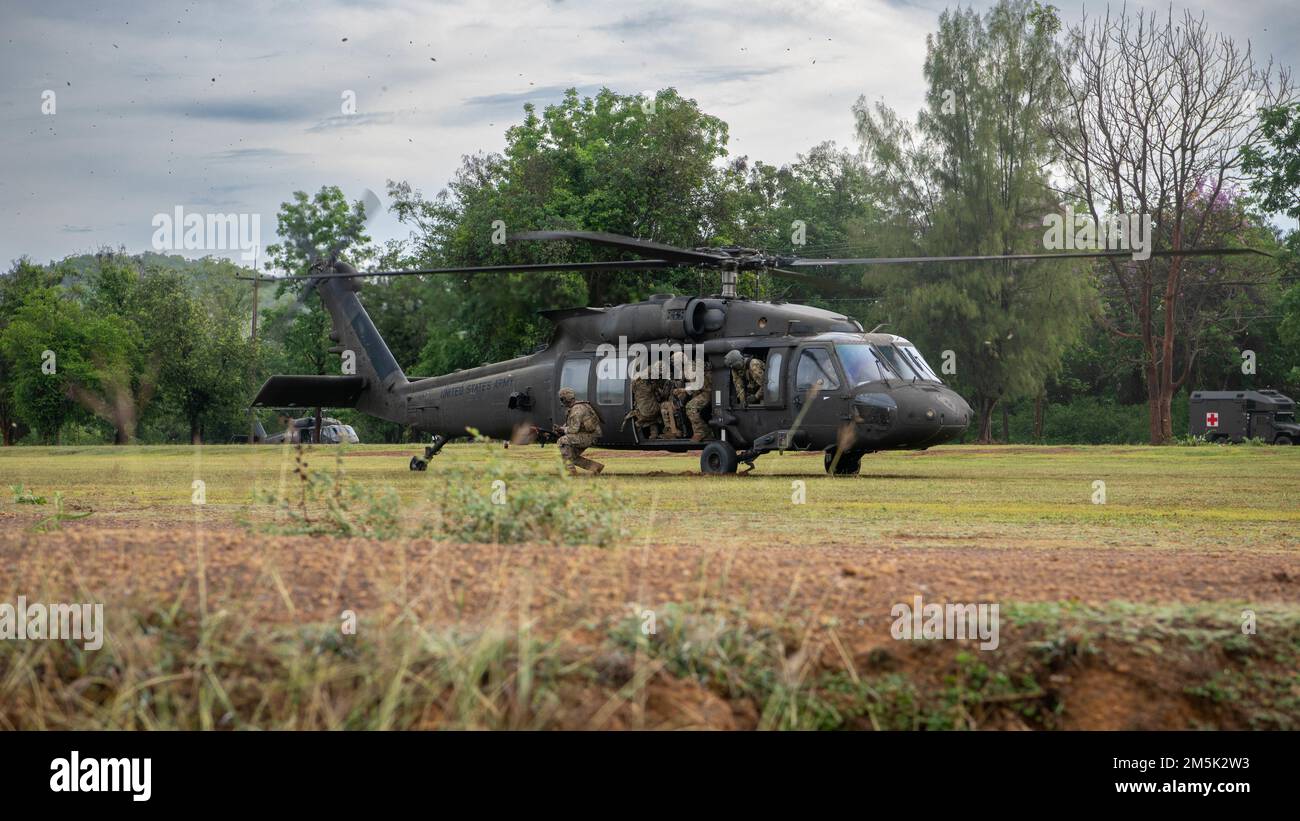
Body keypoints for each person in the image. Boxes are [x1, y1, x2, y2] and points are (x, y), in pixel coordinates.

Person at [557, 387, 604, 475]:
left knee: (562, 441)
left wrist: (562, 430)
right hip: (589, 435)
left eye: (562, 399)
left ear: (565, 399)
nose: (561, 402)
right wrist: (562, 429)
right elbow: (571, 425)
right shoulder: (578, 407)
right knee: (570, 456)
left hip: (589, 436)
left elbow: (573, 430)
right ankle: (596, 467)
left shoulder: (576, 410)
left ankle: (570, 471)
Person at [672, 350, 713, 441]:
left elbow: (697, 386)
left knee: (690, 407)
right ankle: (707, 432)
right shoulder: (687, 368)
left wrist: (682, 390)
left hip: (707, 392)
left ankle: (700, 432)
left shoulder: (690, 368)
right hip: (701, 391)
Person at [627, 363, 664, 439]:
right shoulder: (648, 384)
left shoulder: (636, 382)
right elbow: (659, 394)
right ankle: (654, 433)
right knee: (659, 410)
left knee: (650, 414)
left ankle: (653, 433)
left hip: (643, 410)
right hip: (652, 410)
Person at [655, 359, 684, 439]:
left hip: (675, 402)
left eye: (660, 369)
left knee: (663, 407)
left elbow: (664, 395)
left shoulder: (669, 379)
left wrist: (658, 390)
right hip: (675, 401)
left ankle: (672, 431)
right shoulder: (669, 377)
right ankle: (672, 431)